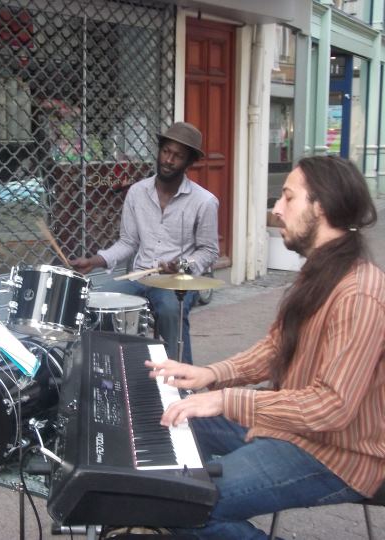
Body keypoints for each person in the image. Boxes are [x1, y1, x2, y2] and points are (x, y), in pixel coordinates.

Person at [145, 155, 384, 539]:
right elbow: (276, 347)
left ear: (320, 206)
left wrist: (225, 399)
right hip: (292, 428)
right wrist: (212, 374)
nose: (276, 209)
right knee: (177, 422)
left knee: (182, 503)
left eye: (288, 197)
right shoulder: (321, 270)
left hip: (337, 454)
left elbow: (331, 407)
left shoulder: (359, 293)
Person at [70, 122, 219, 363]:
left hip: (176, 283)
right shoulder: (137, 192)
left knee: (171, 310)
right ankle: (107, 373)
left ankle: (181, 384)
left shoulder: (204, 202)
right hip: (140, 277)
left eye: (178, 156)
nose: (168, 160)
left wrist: (183, 265)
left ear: (189, 162)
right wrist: (96, 260)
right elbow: (128, 242)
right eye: (166, 151)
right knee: (95, 302)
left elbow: (210, 251)